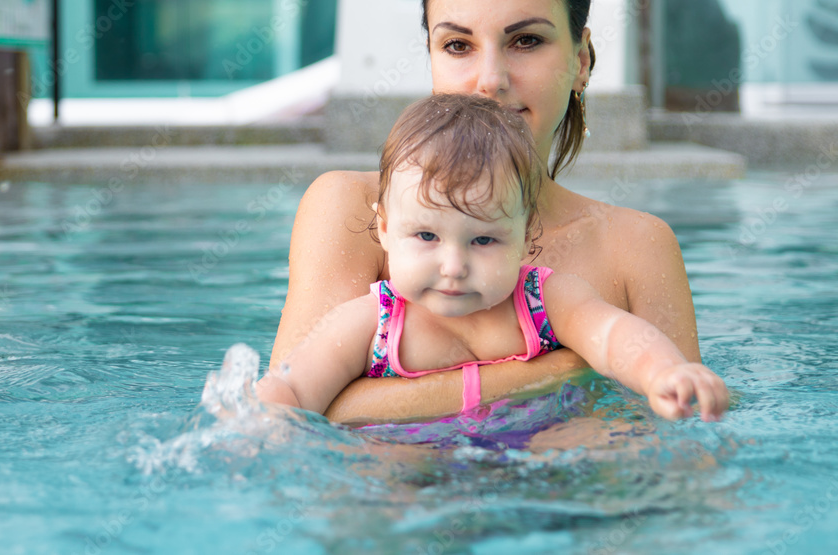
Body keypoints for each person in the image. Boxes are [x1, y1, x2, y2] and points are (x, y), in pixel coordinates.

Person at [271, 0, 704, 422]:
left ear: (581, 60)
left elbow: (686, 428)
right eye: (458, 45)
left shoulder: (636, 247)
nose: (490, 80)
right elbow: (298, 411)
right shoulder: (347, 208)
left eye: (525, 41)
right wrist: (563, 371)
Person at [258, 95, 727, 422]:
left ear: (526, 240)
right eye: (426, 235)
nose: (453, 265)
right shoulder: (370, 324)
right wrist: (263, 409)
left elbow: (614, 336)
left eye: (483, 241)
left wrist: (665, 371)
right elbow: (298, 389)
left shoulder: (545, 300)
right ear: (383, 229)